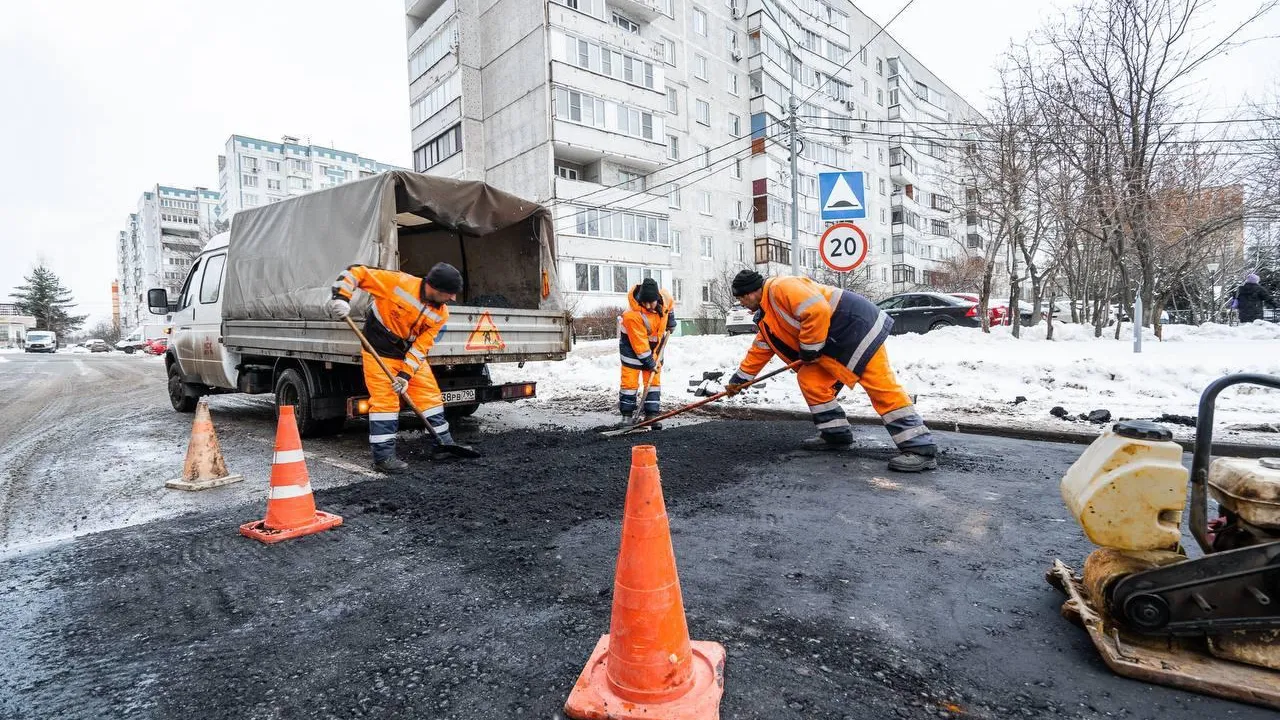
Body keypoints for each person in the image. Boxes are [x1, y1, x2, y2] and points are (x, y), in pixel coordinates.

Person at [725, 270, 937, 472]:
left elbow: (816, 310)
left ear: (751, 292)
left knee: (880, 386)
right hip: (832, 344)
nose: (742, 304)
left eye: (741, 299)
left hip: (857, 329)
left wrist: (809, 347)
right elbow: (761, 349)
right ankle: (835, 433)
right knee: (811, 381)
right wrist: (740, 379)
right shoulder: (767, 315)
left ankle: (919, 448)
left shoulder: (781, 287)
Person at [326, 262, 466, 473]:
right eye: (450, 294)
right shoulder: (398, 283)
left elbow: (422, 346)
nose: (452, 299)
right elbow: (356, 272)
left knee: (430, 396)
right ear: (435, 288)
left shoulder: (441, 313)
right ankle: (383, 458)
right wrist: (341, 297)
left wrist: (405, 375)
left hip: (407, 353)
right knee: (385, 403)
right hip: (378, 349)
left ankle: (443, 444)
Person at [618, 278, 677, 427]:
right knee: (629, 383)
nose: (649, 306)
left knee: (653, 382)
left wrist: (670, 319)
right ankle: (627, 416)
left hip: (655, 348)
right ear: (640, 299)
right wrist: (649, 362)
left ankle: (651, 415)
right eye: (645, 302)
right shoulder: (632, 315)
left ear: (657, 298)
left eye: (652, 302)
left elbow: (669, 304)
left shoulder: (664, 298)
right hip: (632, 350)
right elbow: (640, 344)